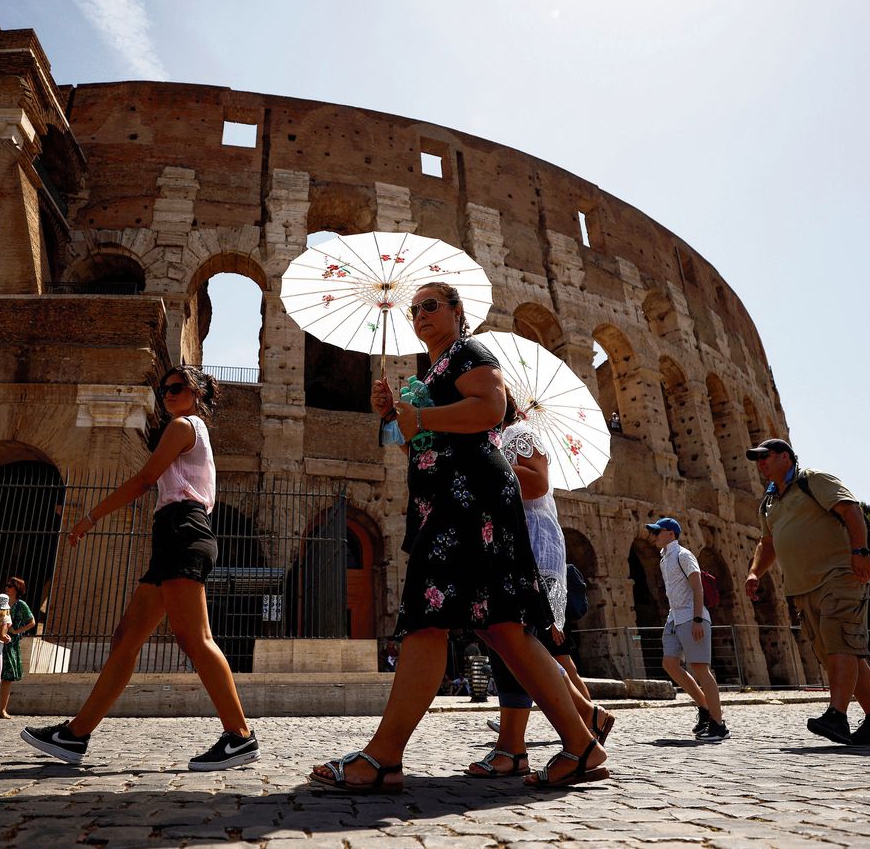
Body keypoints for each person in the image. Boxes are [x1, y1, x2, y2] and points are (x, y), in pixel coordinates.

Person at [309, 281, 607, 793]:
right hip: (448, 500)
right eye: (414, 309)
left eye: (431, 305)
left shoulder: (470, 351)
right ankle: (581, 744)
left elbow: (491, 409)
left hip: (470, 503)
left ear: (456, 311)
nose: (420, 314)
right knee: (504, 629)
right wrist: (393, 417)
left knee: (429, 620)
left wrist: (419, 414)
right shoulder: (430, 373)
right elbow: (420, 447)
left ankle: (383, 757)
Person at [21, 365, 259, 769]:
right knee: (126, 639)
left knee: (195, 638)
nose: (168, 394)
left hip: (183, 530)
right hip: (174, 533)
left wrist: (90, 517)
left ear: (197, 392)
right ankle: (76, 735)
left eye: (177, 388)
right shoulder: (193, 430)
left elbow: (146, 479)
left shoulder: (184, 426)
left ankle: (239, 736)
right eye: (164, 389)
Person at [468, 399, 614, 777]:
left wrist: (486, 463)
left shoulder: (518, 434)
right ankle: (576, 718)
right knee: (507, 640)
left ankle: (530, 745)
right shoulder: (497, 441)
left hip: (529, 546)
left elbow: (536, 482)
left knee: (512, 638)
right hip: (510, 546)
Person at [744, 438, 870, 746]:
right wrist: (755, 572)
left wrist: (859, 550)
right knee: (840, 651)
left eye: (766, 456)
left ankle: (837, 715)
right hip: (803, 587)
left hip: (839, 575)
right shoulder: (769, 501)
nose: (761, 463)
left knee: (840, 644)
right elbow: (769, 543)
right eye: (757, 459)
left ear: (786, 458)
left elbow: (851, 510)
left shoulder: (812, 480)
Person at [646, 517, 728, 742]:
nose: (653, 536)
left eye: (657, 532)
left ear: (671, 534)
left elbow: (697, 586)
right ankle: (704, 708)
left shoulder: (683, 555)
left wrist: (698, 619)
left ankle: (719, 725)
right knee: (669, 664)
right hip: (675, 618)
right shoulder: (664, 559)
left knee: (701, 668)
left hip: (692, 617)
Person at [0, 576, 36, 719]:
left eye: (10, 586)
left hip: (10, 644)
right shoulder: (1, 602)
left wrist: (17, 631)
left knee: (7, 678)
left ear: (17, 589)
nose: (7, 588)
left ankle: (3, 710)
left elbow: (32, 622)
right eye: (6, 585)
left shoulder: (21, 605)